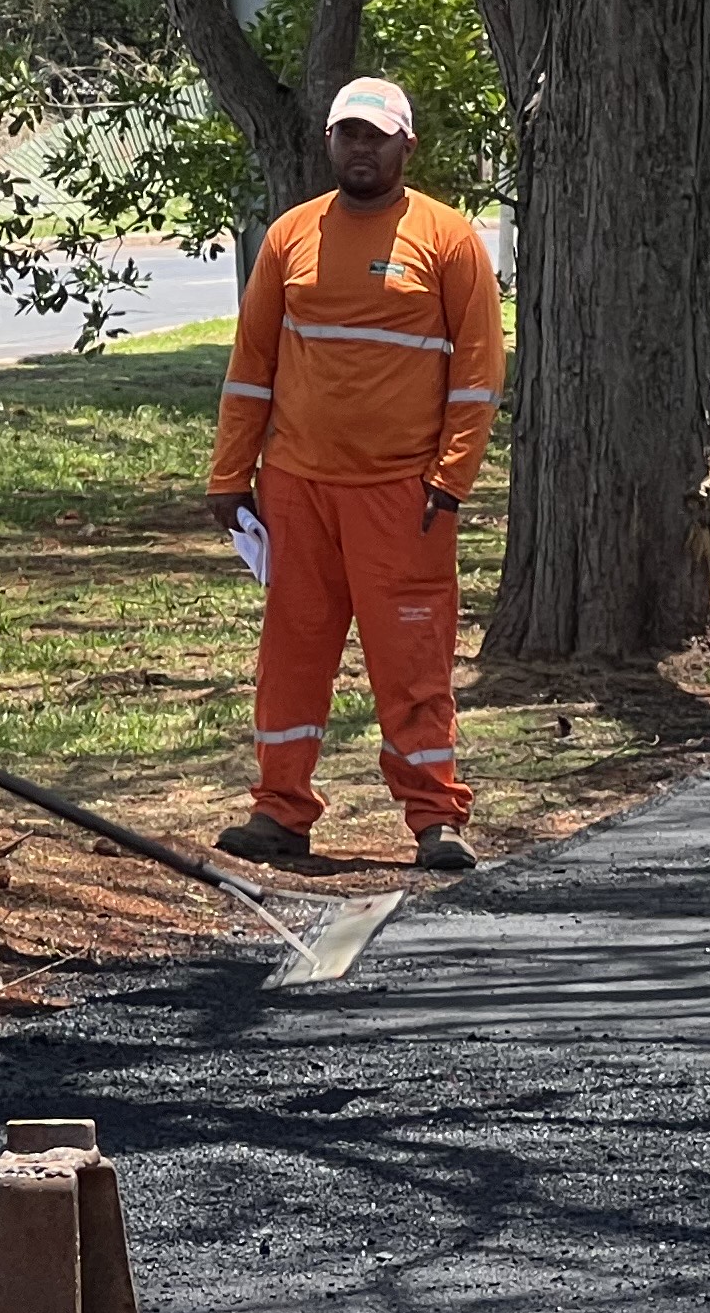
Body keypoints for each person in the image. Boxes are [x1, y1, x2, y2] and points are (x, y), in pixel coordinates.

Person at [204, 74, 500, 875]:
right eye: (347, 134)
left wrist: (451, 478)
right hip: (297, 489)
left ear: (406, 144)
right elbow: (252, 365)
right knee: (293, 655)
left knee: (412, 658)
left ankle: (435, 817)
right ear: (328, 142)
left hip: (405, 497)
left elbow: (478, 373)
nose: (360, 148)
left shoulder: (449, 240)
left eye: (375, 135)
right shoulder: (290, 236)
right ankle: (280, 813)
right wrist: (231, 475)